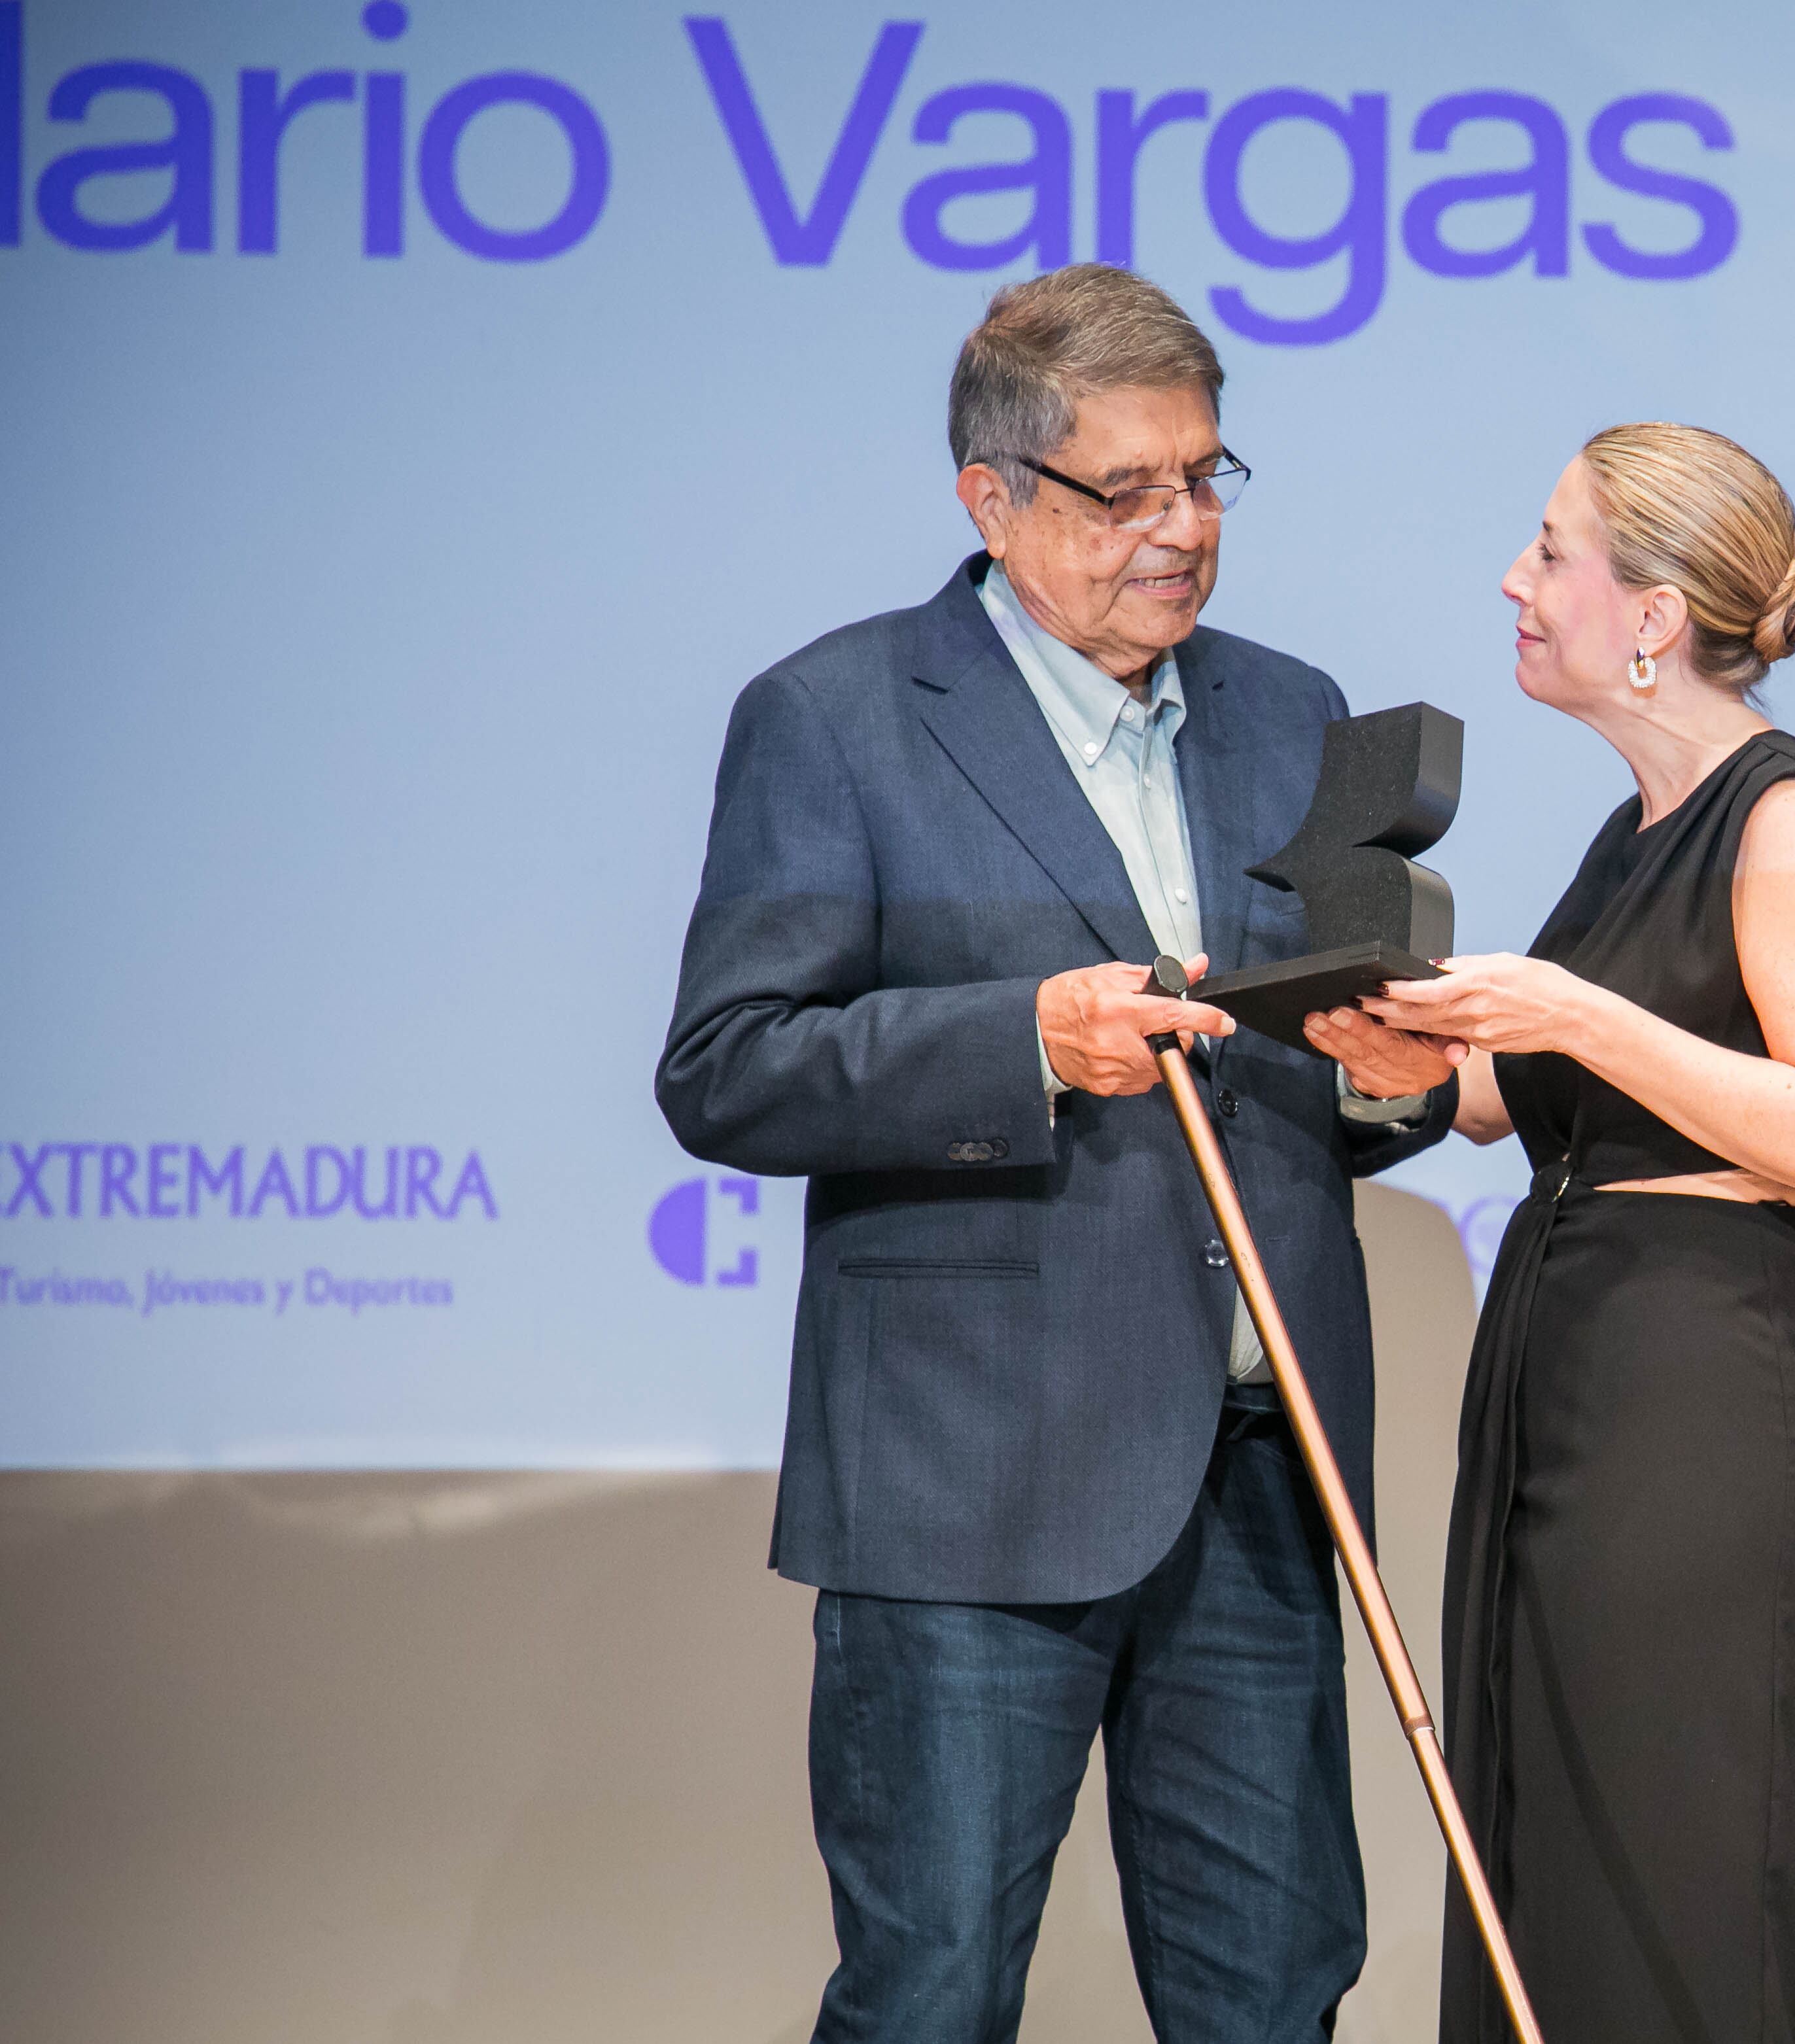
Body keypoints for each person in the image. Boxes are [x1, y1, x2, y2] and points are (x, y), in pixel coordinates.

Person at [655, 265, 1449, 2044]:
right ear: (991, 496)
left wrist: (1386, 1080)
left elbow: (1298, 1068)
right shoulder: (838, 716)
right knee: (931, 1992)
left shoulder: (1287, 706)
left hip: (1259, 1462)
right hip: (968, 1483)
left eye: (1207, 479)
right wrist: (1026, 1038)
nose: (1182, 530)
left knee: (1276, 1993)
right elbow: (727, 1069)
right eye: (1127, 489)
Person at [1310, 423, 1795, 2044]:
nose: (1515, 576)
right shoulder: (1637, 827)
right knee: (1540, 1856)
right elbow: (1503, 1098)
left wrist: (1573, 1012)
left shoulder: (1783, 817)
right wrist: (1401, 1051)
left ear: (1652, 613)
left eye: (1551, 547)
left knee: (1662, 1869)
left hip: (1693, 1403)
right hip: (1567, 1375)